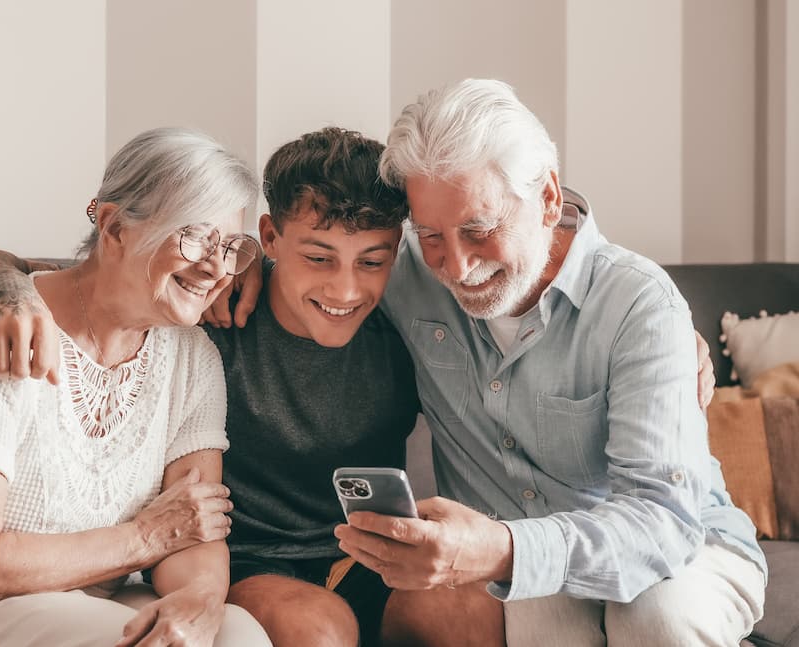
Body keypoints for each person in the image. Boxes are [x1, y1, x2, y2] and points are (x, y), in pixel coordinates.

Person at [0, 126, 717, 647]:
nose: (347, 288)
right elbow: (50, 272)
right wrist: (3, 288)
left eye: (373, 259)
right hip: (247, 563)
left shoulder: (415, 318)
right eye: (318, 257)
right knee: (319, 630)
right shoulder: (206, 301)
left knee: (478, 616)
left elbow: (532, 295)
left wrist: (668, 339)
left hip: (374, 557)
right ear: (269, 239)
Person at [329, 79, 767, 646]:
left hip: (686, 549)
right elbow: (310, 267)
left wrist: (502, 548)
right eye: (430, 233)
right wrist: (232, 272)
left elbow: (664, 525)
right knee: (540, 624)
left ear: (548, 200)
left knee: (657, 617)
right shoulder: (404, 270)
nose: (456, 267)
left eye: (479, 230)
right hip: (521, 566)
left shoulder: (640, 304)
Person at [0, 127, 272, 647]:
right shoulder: (0, 329)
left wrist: (198, 602)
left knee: (238, 633)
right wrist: (144, 537)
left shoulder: (193, 358)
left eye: (230, 246)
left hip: (87, 605)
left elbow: (193, 529)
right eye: (196, 236)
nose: (217, 267)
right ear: (113, 227)